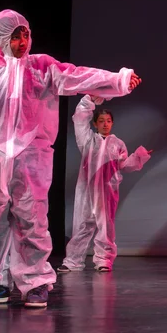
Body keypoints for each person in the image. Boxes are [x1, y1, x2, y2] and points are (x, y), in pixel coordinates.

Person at [0, 3, 142, 307]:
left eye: (26, 35)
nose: (22, 42)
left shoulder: (42, 67)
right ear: (2, 39)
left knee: (32, 218)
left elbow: (78, 76)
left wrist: (118, 81)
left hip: (32, 153)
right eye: (16, 36)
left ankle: (36, 282)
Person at [58, 95, 151, 273]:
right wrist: (88, 101)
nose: (105, 124)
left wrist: (139, 156)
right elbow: (79, 119)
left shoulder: (117, 144)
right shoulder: (87, 140)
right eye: (101, 121)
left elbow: (124, 165)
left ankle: (104, 260)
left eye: (108, 121)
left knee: (106, 227)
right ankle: (72, 261)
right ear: (95, 124)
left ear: (112, 123)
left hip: (107, 190)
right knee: (82, 225)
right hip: (87, 190)